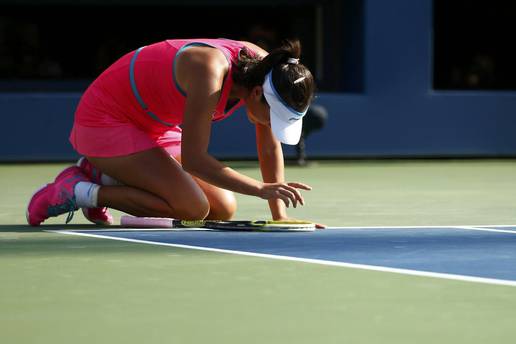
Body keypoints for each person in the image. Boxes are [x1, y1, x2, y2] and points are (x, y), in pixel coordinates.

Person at [26, 38, 318, 226]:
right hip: (106, 119)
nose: (270, 125)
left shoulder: (269, 72)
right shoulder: (210, 72)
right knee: (192, 208)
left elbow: (269, 148)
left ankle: (105, 173)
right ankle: (80, 191)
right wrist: (259, 189)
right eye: (273, 117)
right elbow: (195, 160)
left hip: (153, 124)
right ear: (256, 93)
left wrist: (279, 215)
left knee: (223, 208)